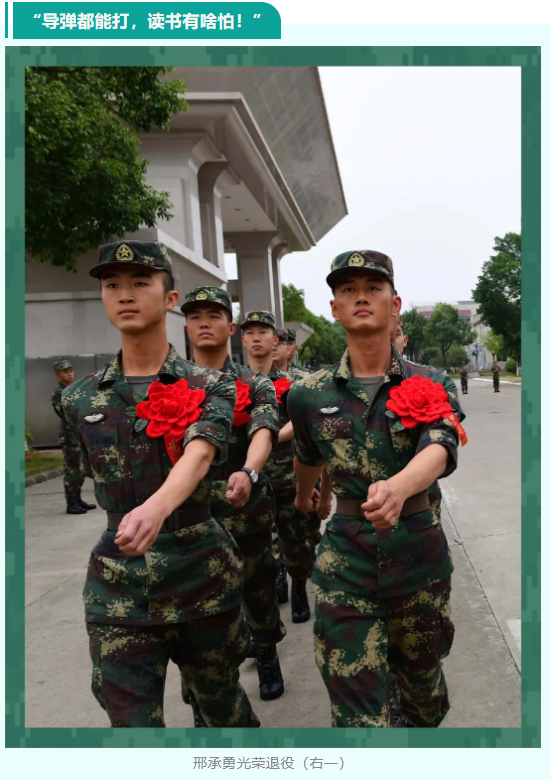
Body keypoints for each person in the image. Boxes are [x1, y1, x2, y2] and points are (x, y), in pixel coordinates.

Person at [62, 240, 259, 728]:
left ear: (171, 299)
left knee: (221, 713)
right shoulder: (78, 398)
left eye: (140, 282)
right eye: (112, 285)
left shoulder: (209, 384)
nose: (125, 294)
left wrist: (156, 507)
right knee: (132, 728)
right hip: (118, 580)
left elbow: (202, 450)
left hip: (199, 572)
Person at [288, 249, 466, 728]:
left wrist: (399, 487)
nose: (361, 297)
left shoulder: (430, 382)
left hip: (418, 560)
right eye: (348, 290)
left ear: (395, 303)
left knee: (423, 702)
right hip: (345, 565)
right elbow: (307, 455)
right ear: (334, 308)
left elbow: (441, 445)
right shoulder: (308, 394)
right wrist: (307, 497)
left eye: (373, 288)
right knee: (358, 719)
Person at [181, 286, 286, 702]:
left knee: (258, 592)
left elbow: (265, 428)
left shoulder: (253, 382)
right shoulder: (170, 385)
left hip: (245, 508)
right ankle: (203, 678)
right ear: (186, 327)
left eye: (214, 315)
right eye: (195, 316)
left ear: (230, 327)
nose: (204, 323)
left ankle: (267, 655)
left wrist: (249, 470)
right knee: (197, 604)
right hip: (190, 518)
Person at [241, 311, 315, 622]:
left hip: (286, 475)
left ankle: (299, 587)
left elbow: (302, 422)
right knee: (259, 551)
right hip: (248, 481)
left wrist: (268, 438)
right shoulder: (231, 383)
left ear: (275, 340)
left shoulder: (294, 383)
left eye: (263, 332)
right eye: (250, 332)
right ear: (242, 340)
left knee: (295, 543)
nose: (256, 338)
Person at [51, 359, 96, 515]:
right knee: (72, 469)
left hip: (79, 434)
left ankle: (77, 499)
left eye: (71, 370)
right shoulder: (59, 393)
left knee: (80, 469)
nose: (70, 374)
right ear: (57, 374)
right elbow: (69, 414)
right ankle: (71, 502)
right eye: (65, 371)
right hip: (70, 436)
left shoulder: (72, 390)